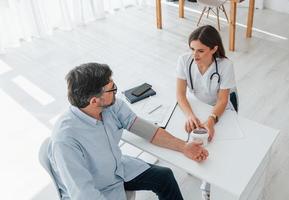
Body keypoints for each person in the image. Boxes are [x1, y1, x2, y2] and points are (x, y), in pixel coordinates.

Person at [48, 63, 209, 200]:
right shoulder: (65, 141)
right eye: (112, 89)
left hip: (118, 167)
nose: (116, 92)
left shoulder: (112, 106)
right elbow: (84, 194)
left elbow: (147, 131)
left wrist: (184, 146)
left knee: (164, 177)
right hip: (99, 188)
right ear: (94, 101)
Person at [176, 25, 237, 199]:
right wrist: (190, 115)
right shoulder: (184, 60)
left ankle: (207, 184)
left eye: (201, 51)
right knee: (191, 136)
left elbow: (223, 100)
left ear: (214, 48)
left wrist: (211, 120)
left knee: (215, 143)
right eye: (192, 49)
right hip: (195, 106)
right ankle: (196, 162)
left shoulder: (225, 65)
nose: (194, 55)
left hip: (219, 108)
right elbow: (180, 94)